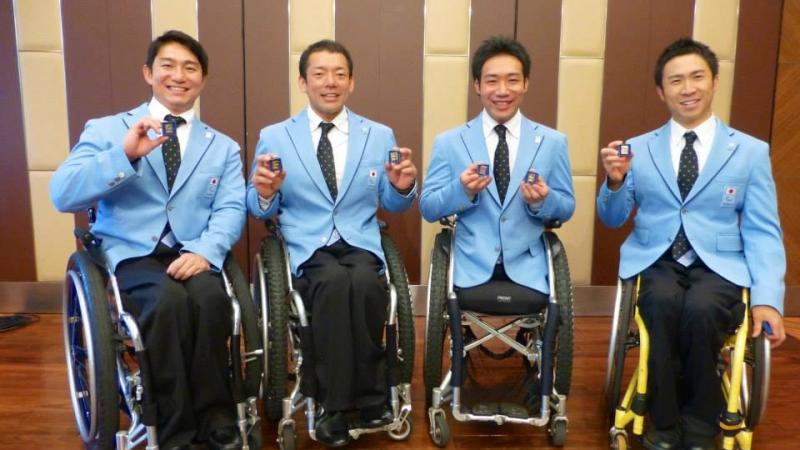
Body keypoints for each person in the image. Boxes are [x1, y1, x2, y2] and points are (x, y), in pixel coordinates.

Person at [51, 30, 246, 450]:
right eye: (168, 66)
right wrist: (124, 154)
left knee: (212, 303)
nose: (179, 76)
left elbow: (231, 209)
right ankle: (175, 429)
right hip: (130, 252)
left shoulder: (223, 148)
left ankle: (216, 416)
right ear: (148, 73)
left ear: (203, 79)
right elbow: (62, 193)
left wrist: (205, 251)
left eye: (190, 68)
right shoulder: (108, 130)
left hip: (192, 251)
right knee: (166, 304)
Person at [596, 38, 786, 450]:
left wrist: (769, 298)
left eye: (697, 77)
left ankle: (699, 427)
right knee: (661, 307)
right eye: (676, 80)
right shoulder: (638, 148)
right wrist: (614, 181)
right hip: (656, 257)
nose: (688, 88)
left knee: (702, 311)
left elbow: (763, 230)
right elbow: (612, 218)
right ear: (661, 92)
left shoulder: (750, 152)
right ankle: (663, 424)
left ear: (715, 81)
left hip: (719, 262)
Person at [246, 39, 417, 447]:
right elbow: (257, 206)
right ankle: (340, 405)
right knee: (334, 285)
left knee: (366, 285)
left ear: (352, 82)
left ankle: (365, 396)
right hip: (307, 244)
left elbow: (392, 202)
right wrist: (266, 193)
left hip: (359, 239)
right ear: (303, 82)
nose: (330, 82)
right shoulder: (276, 135)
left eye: (340, 74)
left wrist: (403, 187)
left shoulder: (378, 134)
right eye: (320, 74)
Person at [419, 35, 575, 306]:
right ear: (477, 86)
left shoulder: (553, 143)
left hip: (530, 269)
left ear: (526, 83)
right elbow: (429, 207)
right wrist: (462, 191)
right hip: (468, 267)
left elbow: (566, 208)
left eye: (513, 80)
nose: (502, 90)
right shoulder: (450, 142)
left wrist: (542, 201)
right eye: (492, 81)